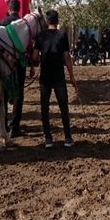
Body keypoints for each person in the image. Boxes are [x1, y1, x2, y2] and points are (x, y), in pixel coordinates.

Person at [31, 9, 77, 148]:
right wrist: (72, 77)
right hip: (59, 76)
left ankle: (48, 139)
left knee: (44, 107)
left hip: (45, 76)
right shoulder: (62, 35)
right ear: (57, 21)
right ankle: (68, 138)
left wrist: (39, 60)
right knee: (63, 106)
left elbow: (34, 57)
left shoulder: (40, 36)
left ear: (47, 21)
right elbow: (67, 57)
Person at [0, 0, 26, 138]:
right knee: (19, 94)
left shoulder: (2, 23)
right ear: (18, 9)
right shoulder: (23, 25)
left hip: (4, 64)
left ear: (8, 9)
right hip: (19, 65)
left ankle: (2, 124)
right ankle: (15, 128)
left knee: (3, 93)